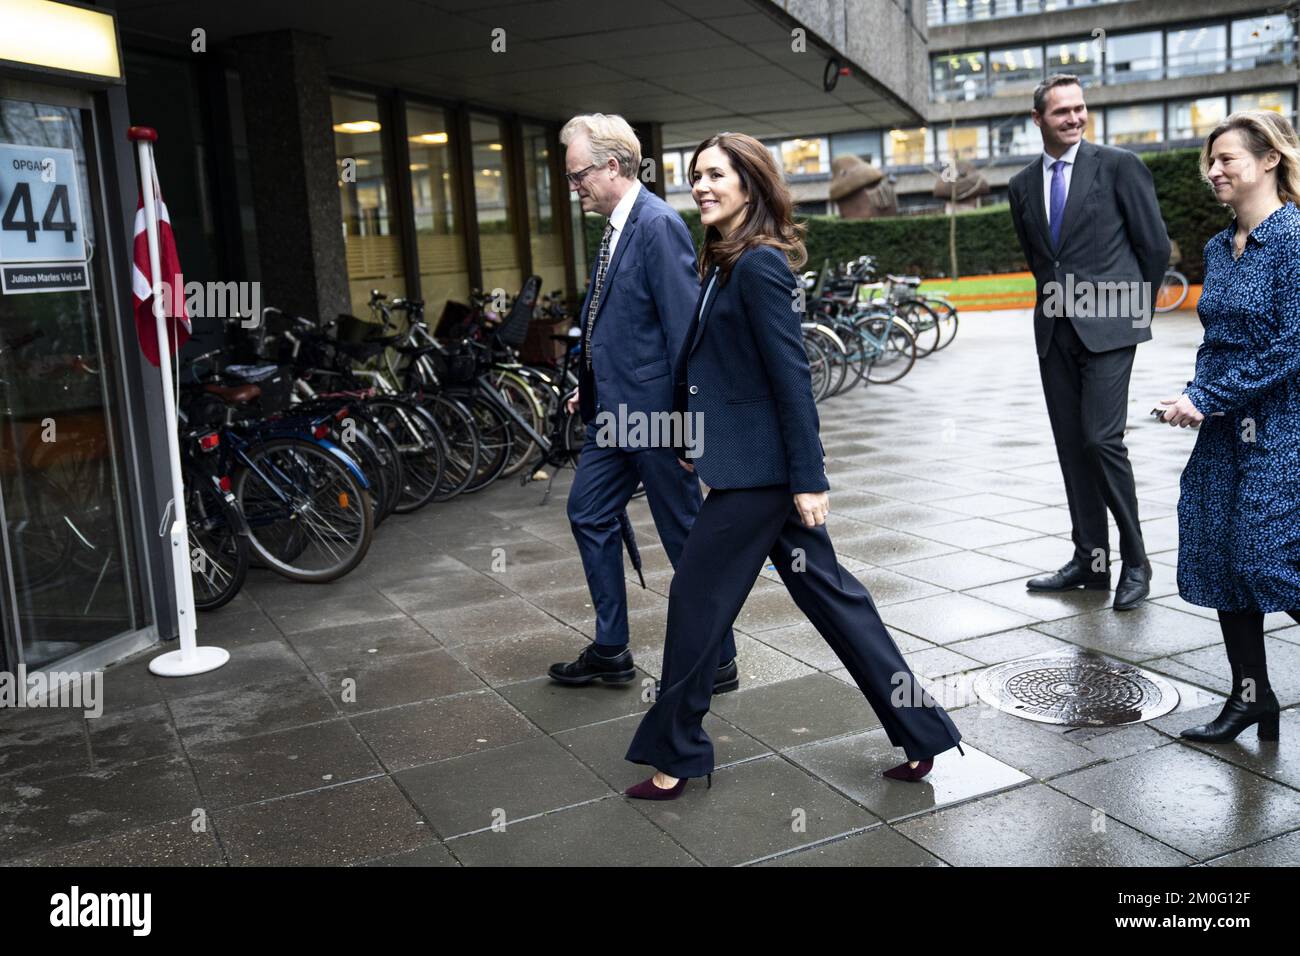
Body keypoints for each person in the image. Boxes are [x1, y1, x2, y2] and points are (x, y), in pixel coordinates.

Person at [622, 132, 964, 800]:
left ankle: (677, 753)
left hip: (764, 474)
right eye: (695, 176)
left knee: (697, 599)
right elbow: (715, 363)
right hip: (749, 463)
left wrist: (810, 478)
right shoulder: (724, 258)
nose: (702, 186)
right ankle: (921, 730)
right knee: (832, 596)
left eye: (716, 174)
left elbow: (791, 379)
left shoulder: (759, 266)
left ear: (751, 182)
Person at [547, 114, 739, 692]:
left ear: (612, 166)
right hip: (616, 415)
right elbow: (625, 322)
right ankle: (611, 650)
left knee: (684, 536)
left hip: (657, 418)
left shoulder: (655, 224)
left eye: (578, 173)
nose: (573, 184)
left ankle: (720, 658)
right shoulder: (613, 226)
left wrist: (688, 426)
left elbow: (685, 329)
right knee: (587, 512)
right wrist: (596, 384)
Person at [1156, 110, 1300, 743]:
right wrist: (1191, 395)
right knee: (1218, 548)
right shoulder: (1220, 246)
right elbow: (1218, 341)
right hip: (1222, 427)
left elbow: (1292, 344)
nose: (1213, 171)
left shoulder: (1295, 237)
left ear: (1269, 159)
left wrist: (1211, 396)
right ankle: (1251, 699)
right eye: (1209, 162)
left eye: (1227, 160)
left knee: (1263, 554)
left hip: (1282, 423)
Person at [1007, 74, 1171, 611]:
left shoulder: (1119, 165)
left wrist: (1128, 313)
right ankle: (1090, 560)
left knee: (1102, 440)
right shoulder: (1022, 184)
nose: (1075, 118)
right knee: (1072, 448)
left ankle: (1137, 561)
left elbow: (1154, 246)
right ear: (1039, 120)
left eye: (1080, 109)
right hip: (1055, 330)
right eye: (1062, 112)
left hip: (1110, 328)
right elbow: (1041, 261)